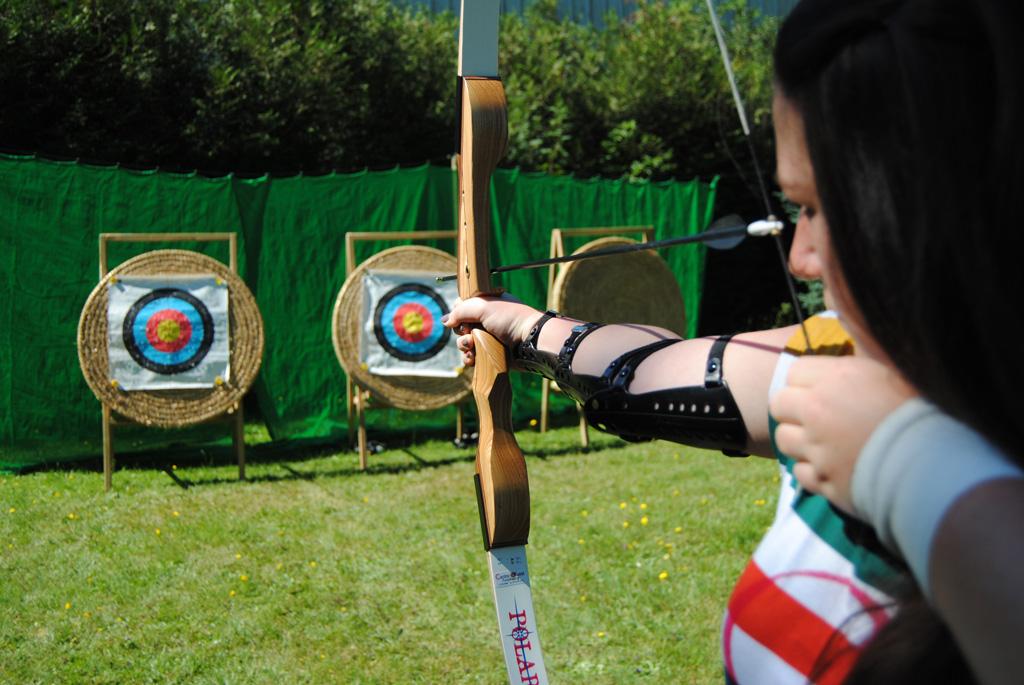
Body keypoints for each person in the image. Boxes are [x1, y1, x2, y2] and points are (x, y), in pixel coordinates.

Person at [446, 0, 1024, 682]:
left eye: (814, 208)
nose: (801, 254)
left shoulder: (883, 424)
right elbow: (641, 374)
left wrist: (898, 460)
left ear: (925, 211)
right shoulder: (841, 365)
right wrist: (523, 328)